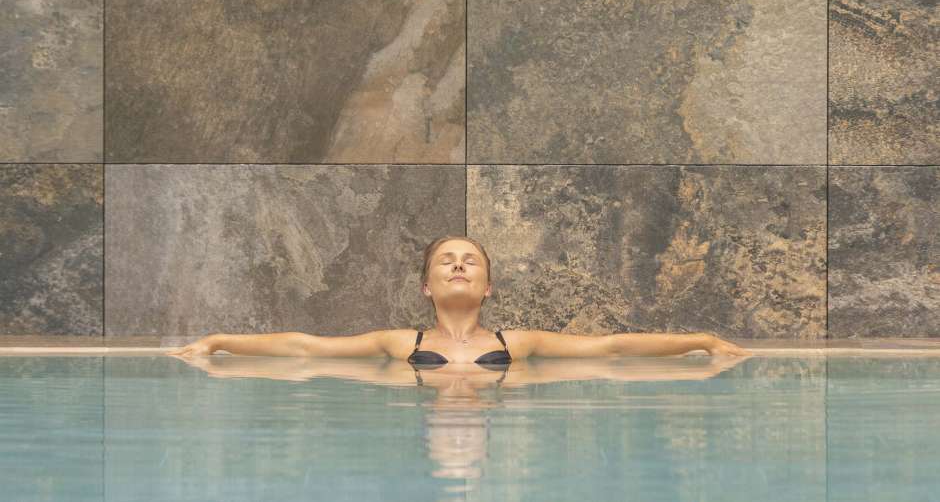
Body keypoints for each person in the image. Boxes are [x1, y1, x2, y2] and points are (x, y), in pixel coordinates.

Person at [169, 235, 751, 361]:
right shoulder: (400, 341)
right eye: (446, 260)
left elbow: (610, 349)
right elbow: (305, 348)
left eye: (470, 260)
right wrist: (218, 342)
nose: (457, 264)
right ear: (427, 286)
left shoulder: (517, 342)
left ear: (487, 286)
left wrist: (701, 342)